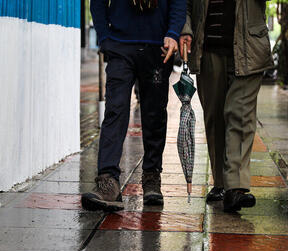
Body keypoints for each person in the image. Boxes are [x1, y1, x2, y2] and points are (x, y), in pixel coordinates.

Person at [81, 0, 186, 211]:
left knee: (154, 114)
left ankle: (151, 177)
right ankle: (108, 181)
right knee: (115, 110)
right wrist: (104, 37)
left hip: (158, 46)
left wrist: (173, 32)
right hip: (120, 45)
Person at [179, 0, 273, 212]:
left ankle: (236, 187)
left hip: (250, 48)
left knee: (239, 114)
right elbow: (184, 4)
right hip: (208, 49)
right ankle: (221, 183)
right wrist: (185, 30)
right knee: (215, 117)